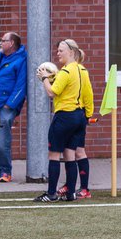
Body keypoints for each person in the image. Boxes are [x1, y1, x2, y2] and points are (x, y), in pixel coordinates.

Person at [35, 39, 94, 202]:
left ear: (71, 52)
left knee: (54, 154)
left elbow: (52, 92)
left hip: (64, 117)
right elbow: (89, 95)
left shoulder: (66, 71)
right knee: (70, 154)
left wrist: (44, 78)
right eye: (58, 50)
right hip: (79, 116)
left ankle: (51, 194)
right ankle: (70, 193)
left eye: (61, 50)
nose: (58, 53)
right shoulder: (82, 70)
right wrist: (87, 114)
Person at [0, 32, 27, 184]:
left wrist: (10, 104)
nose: (0, 43)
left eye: (4, 40)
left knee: (1, 140)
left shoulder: (21, 60)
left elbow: (21, 85)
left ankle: (5, 170)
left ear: (12, 43)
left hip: (5, 106)